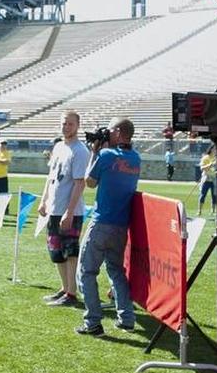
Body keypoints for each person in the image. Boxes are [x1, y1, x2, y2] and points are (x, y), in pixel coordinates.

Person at [75, 118, 142, 335]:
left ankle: (93, 322)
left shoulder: (105, 155)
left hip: (102, 222)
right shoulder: (136, 158)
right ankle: (127, 318)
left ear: (119, 132)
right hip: (121, 226)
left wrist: (95, 152)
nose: (108, 133)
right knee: (116, 270)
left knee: (86, 271)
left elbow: (90, 182)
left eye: (111, 129)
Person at [37, 110, 90, 308]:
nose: (66, 127)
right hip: (54, 208)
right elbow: (50, 177)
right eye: (63, 123)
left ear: (77, 126)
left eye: (70, 124)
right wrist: (44, 201)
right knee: (56, 250)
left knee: (70, 252)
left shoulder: (80, 151)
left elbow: (79, 183)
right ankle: (64, 287)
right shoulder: (59, 146)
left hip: (70, 211)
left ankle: (72, 292)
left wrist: (69, 212)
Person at [0, 139, 12, 221]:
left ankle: (5, 209)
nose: (3, 145)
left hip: (3, 176)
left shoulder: (7, 153)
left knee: (4, 194)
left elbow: (6, 162)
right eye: (2, 143)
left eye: (5, 144)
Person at [196, 150, 217, 217]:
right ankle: (199, 210)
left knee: (214, 196)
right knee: (202, 195)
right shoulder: (205, 158)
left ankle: (213, 211)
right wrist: (210, 165)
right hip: (206, 179)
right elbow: (202, 168)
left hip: (214, 179)